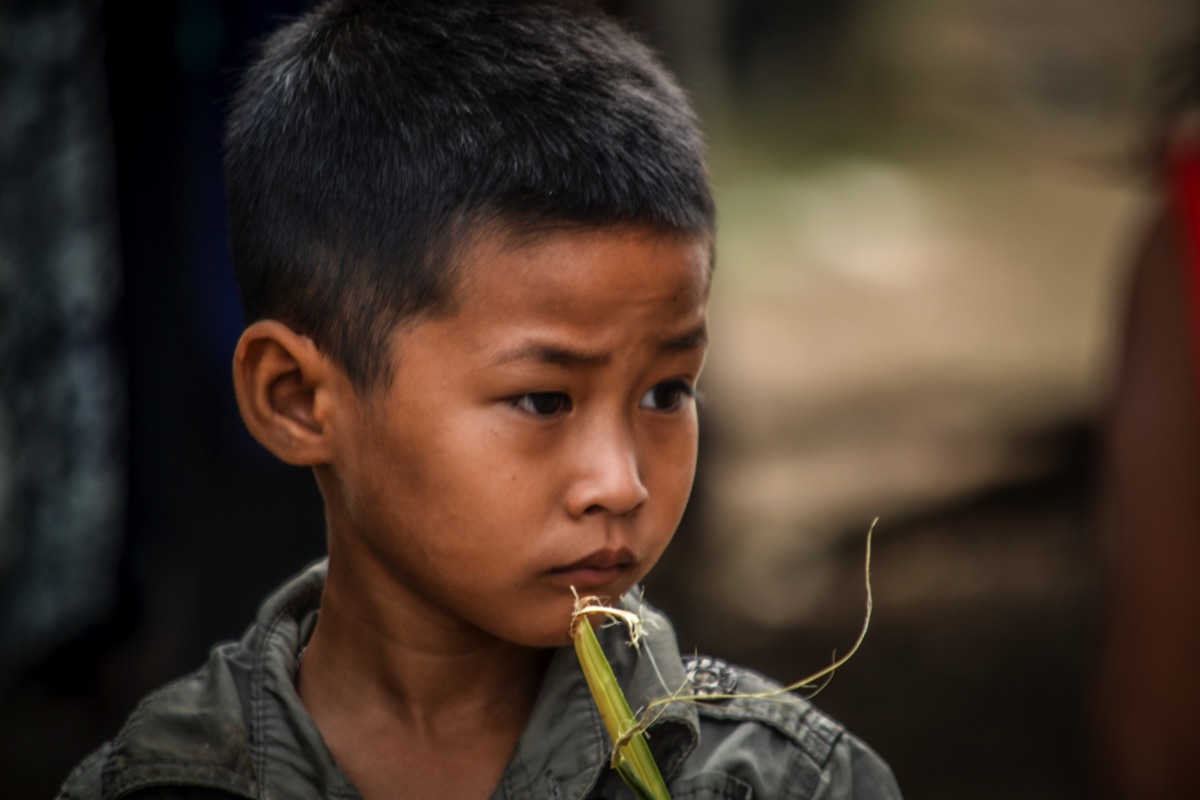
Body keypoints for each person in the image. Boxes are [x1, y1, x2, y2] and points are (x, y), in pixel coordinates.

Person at [58, 1, 902, 798]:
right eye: (543, 401)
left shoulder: (785, 781)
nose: (621, 484)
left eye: (666, 391)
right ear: (299, 400)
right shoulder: (156, 785)